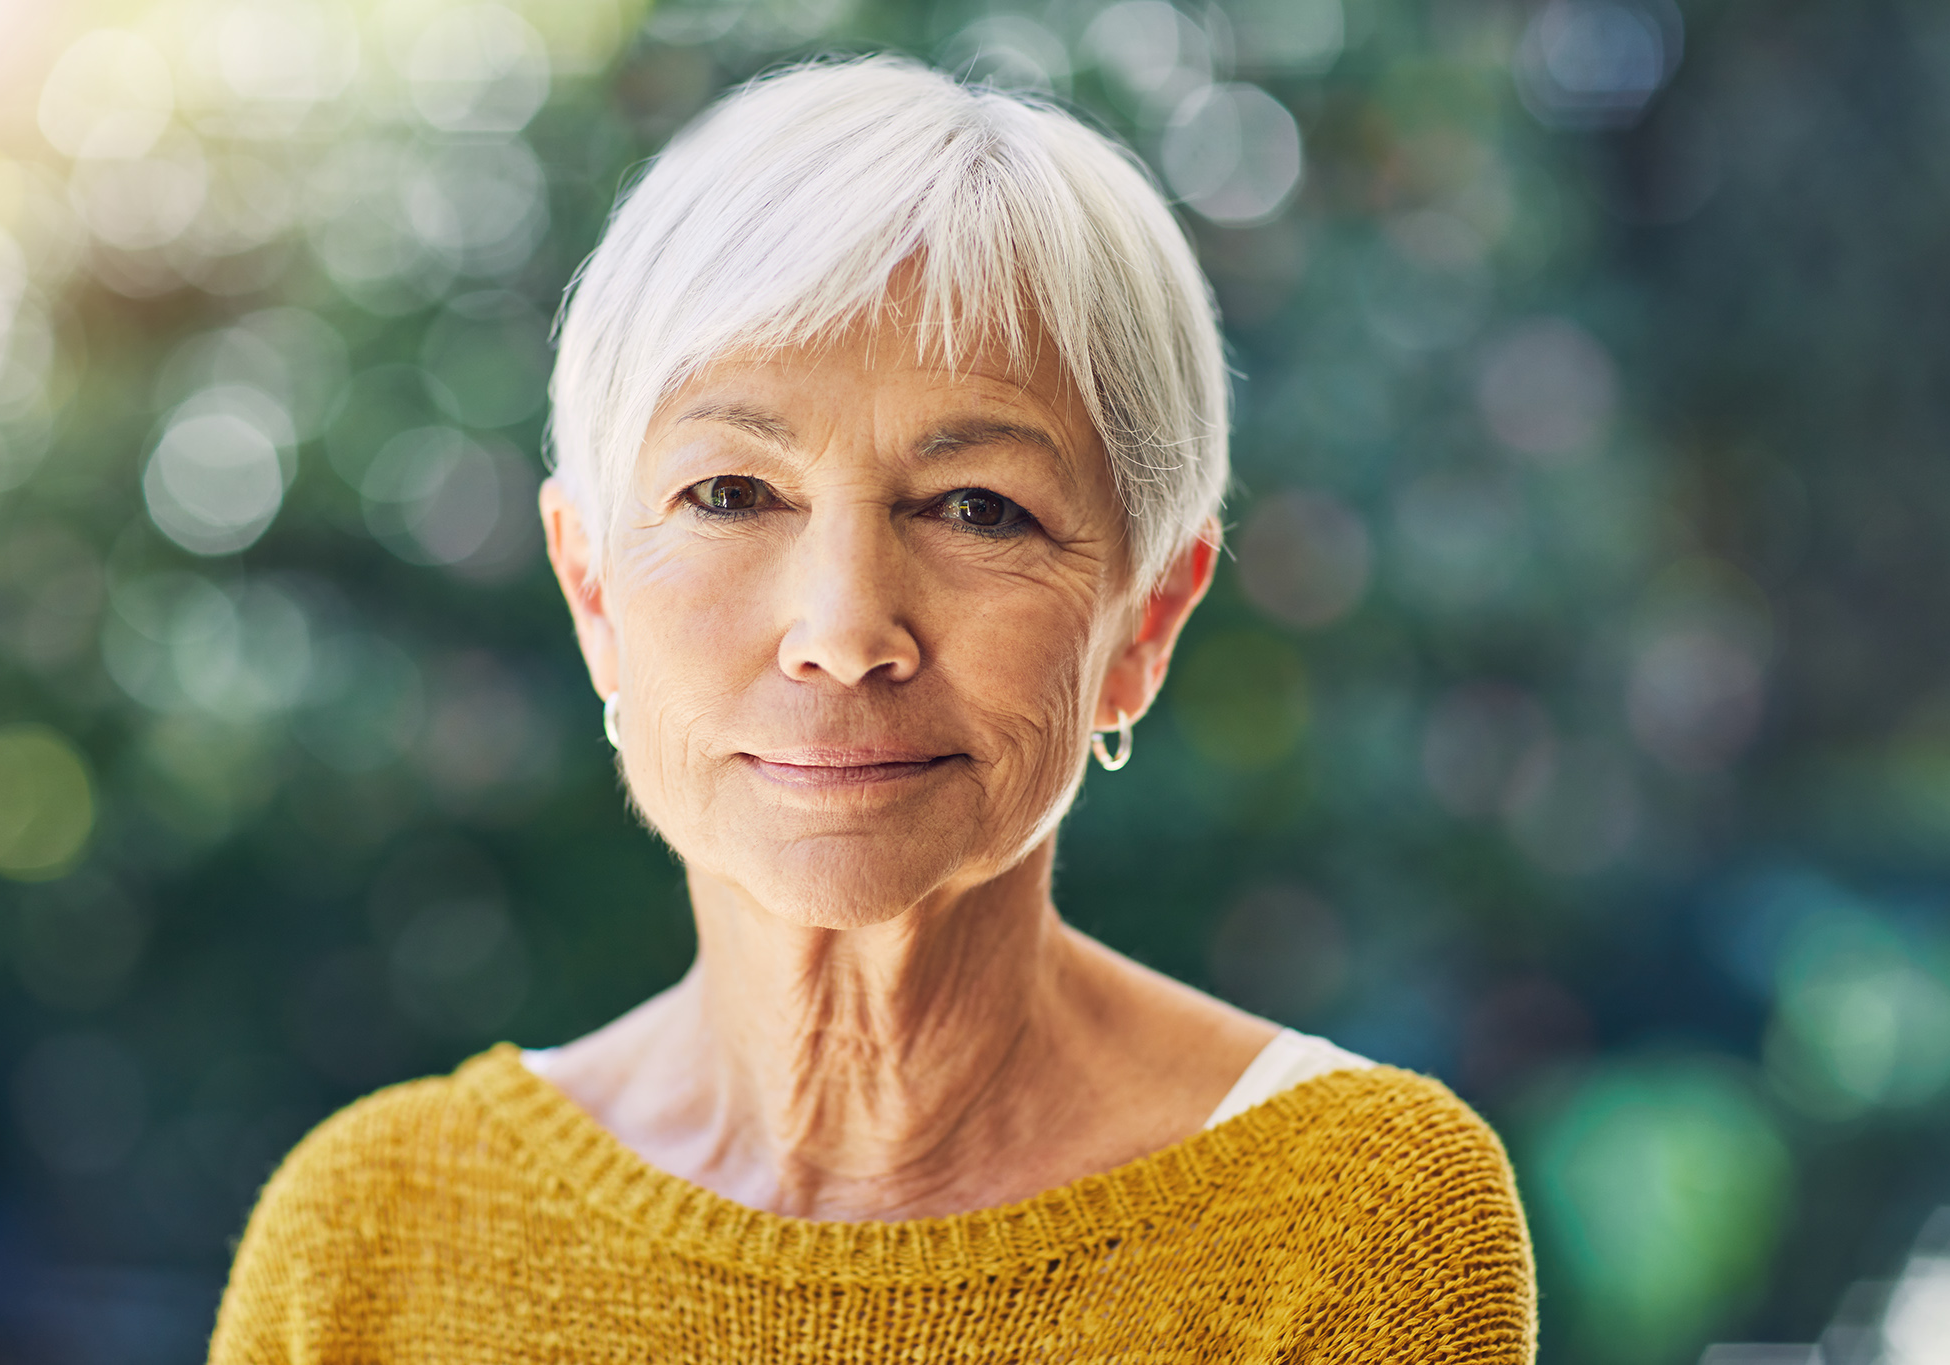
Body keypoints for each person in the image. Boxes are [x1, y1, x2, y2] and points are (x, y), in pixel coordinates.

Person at [209, 57, 1535, 1363]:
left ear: (1145, 621)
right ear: (592, 588)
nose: (845, 631)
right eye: (732, 492)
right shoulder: (366, 1241)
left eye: (976, 506)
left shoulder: (1356, 1223)